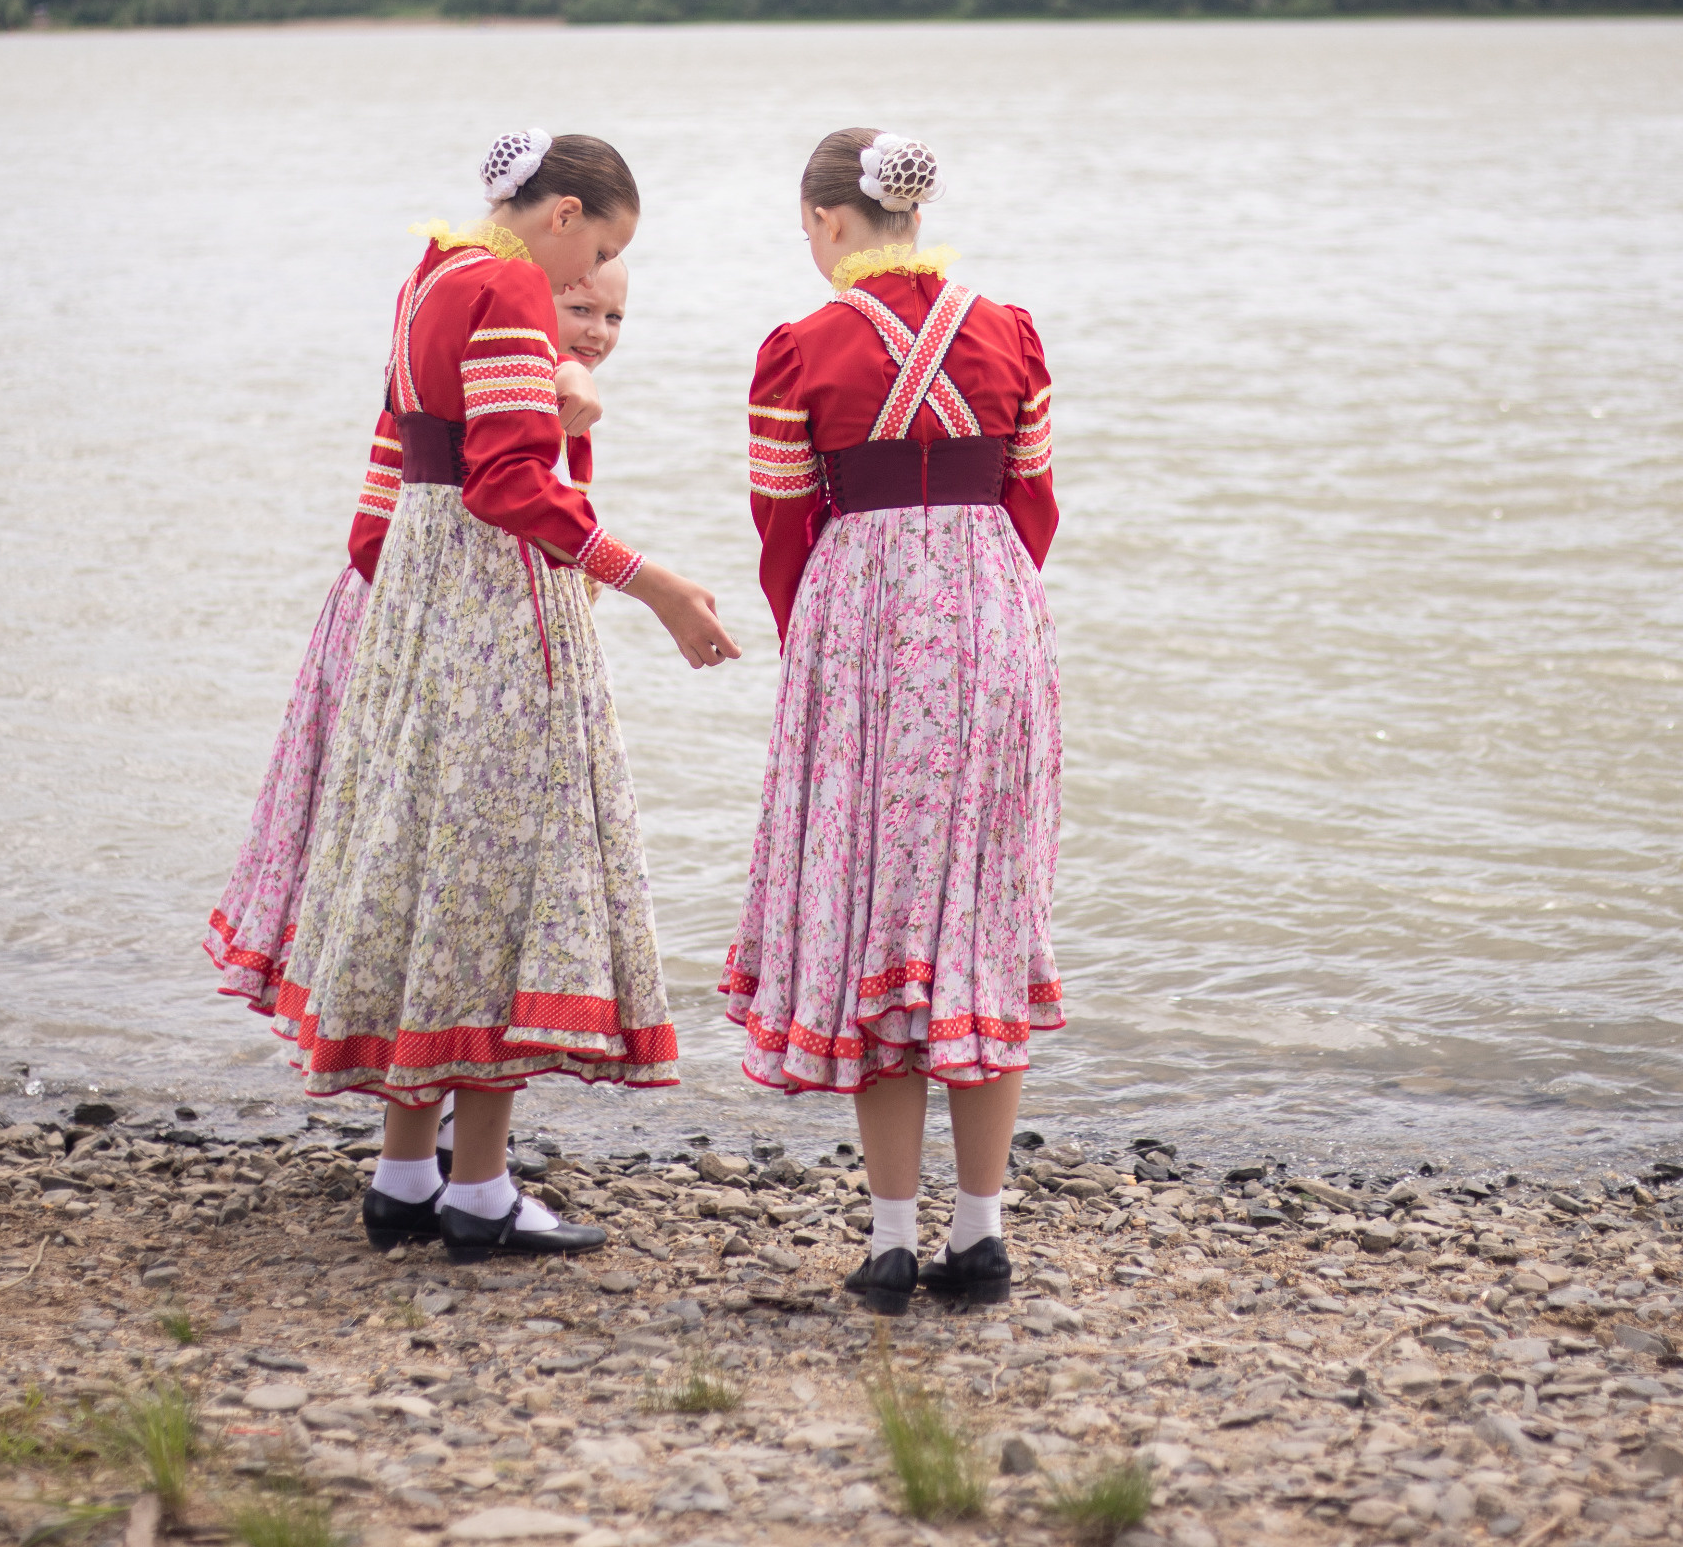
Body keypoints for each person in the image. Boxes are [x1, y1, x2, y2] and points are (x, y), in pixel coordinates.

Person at [274, 131, 737, 1264]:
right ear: (564, 210)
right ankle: (477, 1190)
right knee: (502, 876)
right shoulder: (512, 285)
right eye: (604, 246)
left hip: (422, 605)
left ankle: (402, 1171)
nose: (589, 280)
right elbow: (512, 481)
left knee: (434, 865)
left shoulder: (431, 274)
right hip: (496, 603)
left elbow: (402, 457)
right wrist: (658, 584)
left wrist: (387, 602)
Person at [723, 128, 1061, 1315]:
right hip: (992, 624)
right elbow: (1034, 502)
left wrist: (815, 644)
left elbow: (781, 528)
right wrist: (982, 609)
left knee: (877, 920)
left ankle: (891, 1234)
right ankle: (983, 1230)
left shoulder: (796, 349)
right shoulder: (1011, 330)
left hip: (860, 632)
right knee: (978, 915)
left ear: (828, 222)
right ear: (915, 215)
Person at [203, 259, 631, 1177]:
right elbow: (408, 520)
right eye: (578, 304)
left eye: (613, 317)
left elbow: (385, 512)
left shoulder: (442, 340)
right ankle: (439, 1136)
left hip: (398, 612)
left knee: (410, 873)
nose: (594, 329)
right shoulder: (504, 373)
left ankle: (420, 1130)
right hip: (407, 629)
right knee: (439, 868)